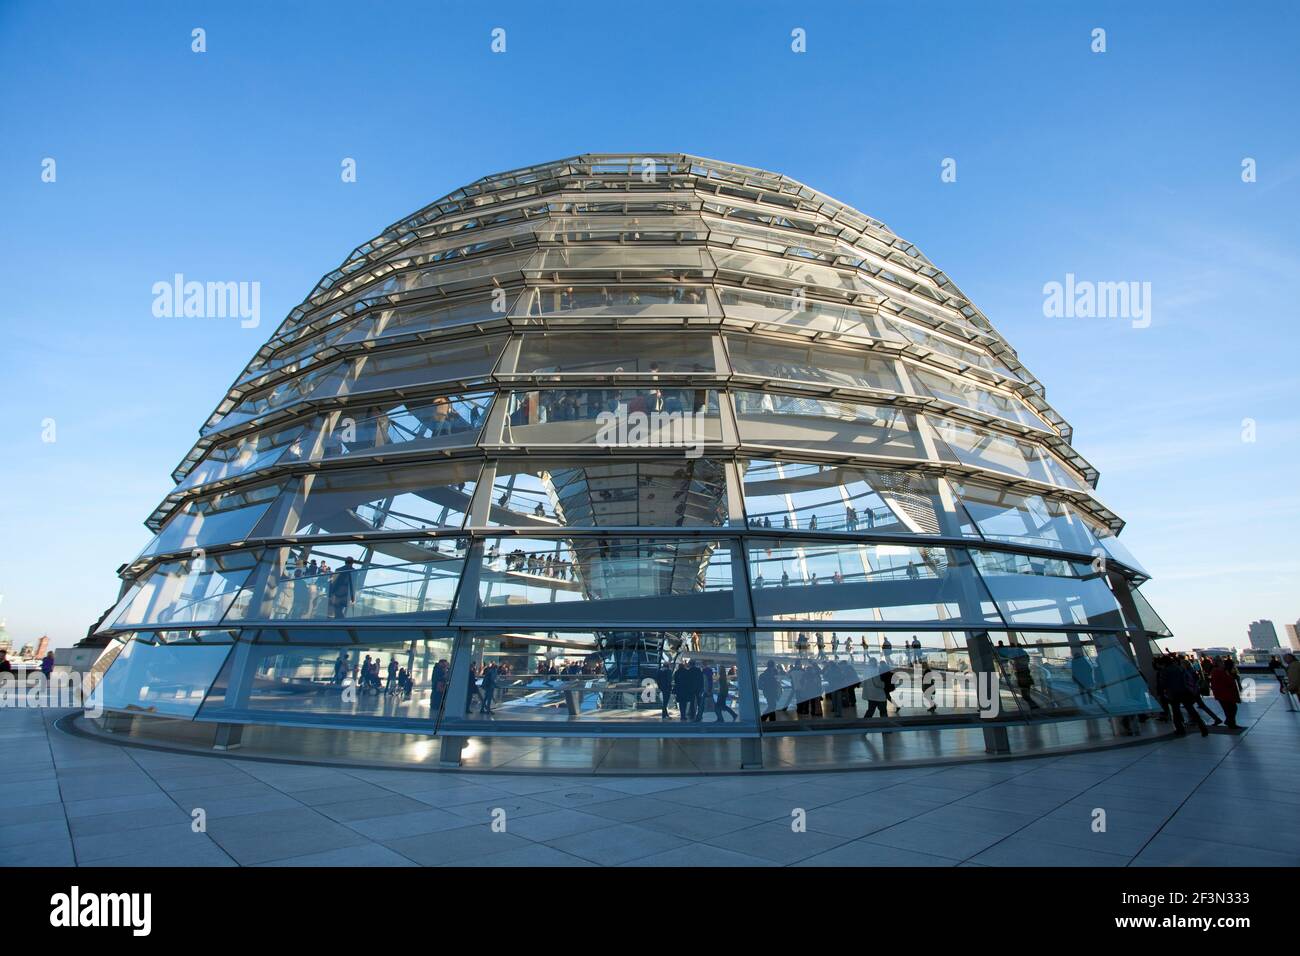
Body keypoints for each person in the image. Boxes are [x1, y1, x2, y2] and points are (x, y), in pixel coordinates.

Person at [1208, 658, 1241, 729]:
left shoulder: (1216, 671)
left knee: (1228, 709)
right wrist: (1231, 677)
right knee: (1232, 708)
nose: (1223, 664)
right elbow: (1227, 681)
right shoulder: (1219, 671)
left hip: (1221, 694)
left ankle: (1230, 722)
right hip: (1225, 693)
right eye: (1222, 663)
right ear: (1218, 663)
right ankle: (1231, 723)